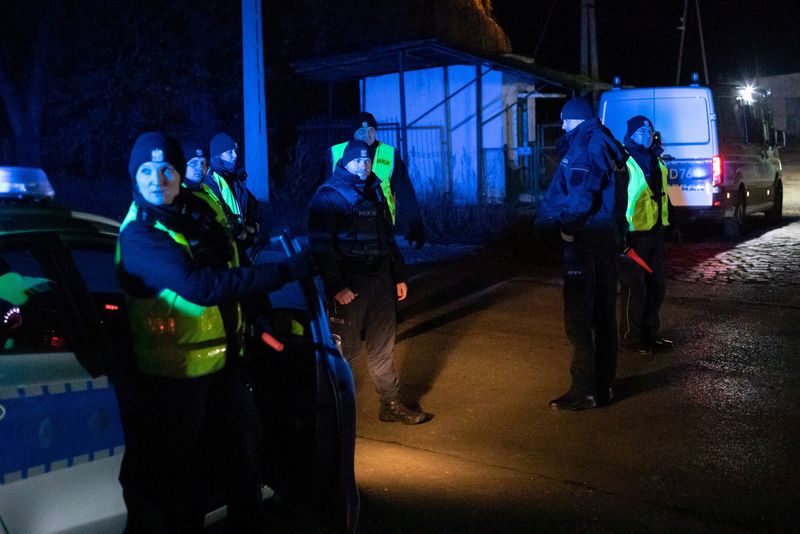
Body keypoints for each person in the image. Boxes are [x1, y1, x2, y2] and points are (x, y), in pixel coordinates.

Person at [115, 132, 309, 532]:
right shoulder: (139, 234)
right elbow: (203, 287)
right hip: (174, 383)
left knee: (244, 466)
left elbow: (231, 262)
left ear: (179, 172)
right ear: (134, 177)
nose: (157, 179)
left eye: (166, 169)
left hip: (225, 368)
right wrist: (284, 272)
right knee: (182, 492)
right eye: (146, 171)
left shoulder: (197, 209)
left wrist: (257, 319)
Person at [309, 140, 429, 425]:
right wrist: (336, 285)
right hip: (349, 284)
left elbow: (386, 238)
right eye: (358, 161)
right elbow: (321, 247)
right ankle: (328, 411)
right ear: (345, 162)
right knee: (342, 350)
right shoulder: (328, 195)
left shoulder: (374, 189)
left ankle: (390, 403)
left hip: (381, 280)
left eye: (367, 161)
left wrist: (399, 276)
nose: (364, 166)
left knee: (382, 346)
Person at [535, 96, 629, 411]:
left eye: (565, 119)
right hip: (603, 241)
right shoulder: (603, 141)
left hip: (586, 242)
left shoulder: (587, 145)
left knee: (579, 319)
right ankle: (604, 387)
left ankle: (585, 390)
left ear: (577, 118)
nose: (562, 125)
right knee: (603, 316)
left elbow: (581, 194)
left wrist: (568, 228)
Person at [327, 112, 426, 249]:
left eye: (371, 130)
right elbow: (322, 192)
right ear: (353, 133)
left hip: (381, 226)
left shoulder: (390, 154)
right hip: (344, 225)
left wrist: (415, 226)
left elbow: (405, 193)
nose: (367, 135)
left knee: (383, 266)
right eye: (361, 131)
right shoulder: (336, 153)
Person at [619, 116, 673, 353]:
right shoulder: (624, 161)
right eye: (641, 129)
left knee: (657, 286)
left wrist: (671, 222)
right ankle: (632, 338)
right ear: (631, 133)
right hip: (632, 235)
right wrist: (619, 233)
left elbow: (661, 194)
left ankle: (651, 334)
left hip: (655, 232)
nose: (647, 133)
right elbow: (617, 199)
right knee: (635, 288)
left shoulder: (655, 158)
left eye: (650, 129)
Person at [203, 132, 261, 256]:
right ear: (218, 156)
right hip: (225, 244)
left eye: (235, 151)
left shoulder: (234, 178)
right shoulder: (211, 179)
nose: (235, 155)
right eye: (229, 152)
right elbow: (218, 211)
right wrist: (240, 232)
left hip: (241, 243)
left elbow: (252, 203)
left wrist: (252, 225)